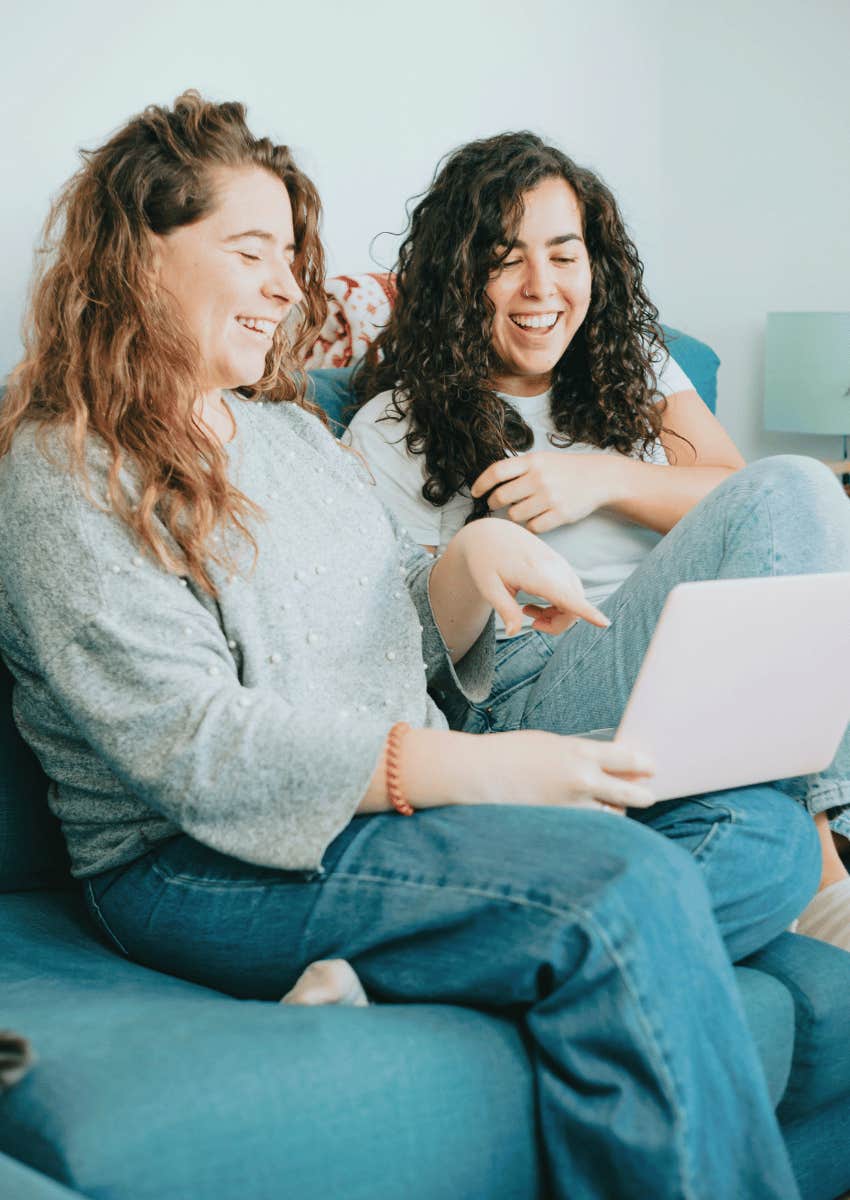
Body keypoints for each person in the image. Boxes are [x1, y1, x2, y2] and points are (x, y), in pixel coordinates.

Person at [0, 93, 822, 1200]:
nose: (287, 287)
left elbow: (387, 607)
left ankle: (420, 969)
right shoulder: (64, 468)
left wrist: (468, 561)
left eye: (289, 256)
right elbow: (193, 746)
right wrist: (478, 767)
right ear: (139, 256)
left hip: (379, 820)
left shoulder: (287, 433)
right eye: (250, 251)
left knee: (772, 847)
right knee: (623, 886)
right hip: (195, 861)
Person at [348, 131, 850, 949]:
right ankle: (830, 881)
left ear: (595, 264)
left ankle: (530, 944)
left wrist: (605, 478)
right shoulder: (390, 426)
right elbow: (402, 651)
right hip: (529, 696)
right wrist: (485, 552)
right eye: (504, 258)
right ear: (456, 275)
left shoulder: (635, 365)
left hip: (680, 670)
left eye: (564, 254)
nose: (540, 287)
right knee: (799, 481)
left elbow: (741, 498)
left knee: (765, 840)